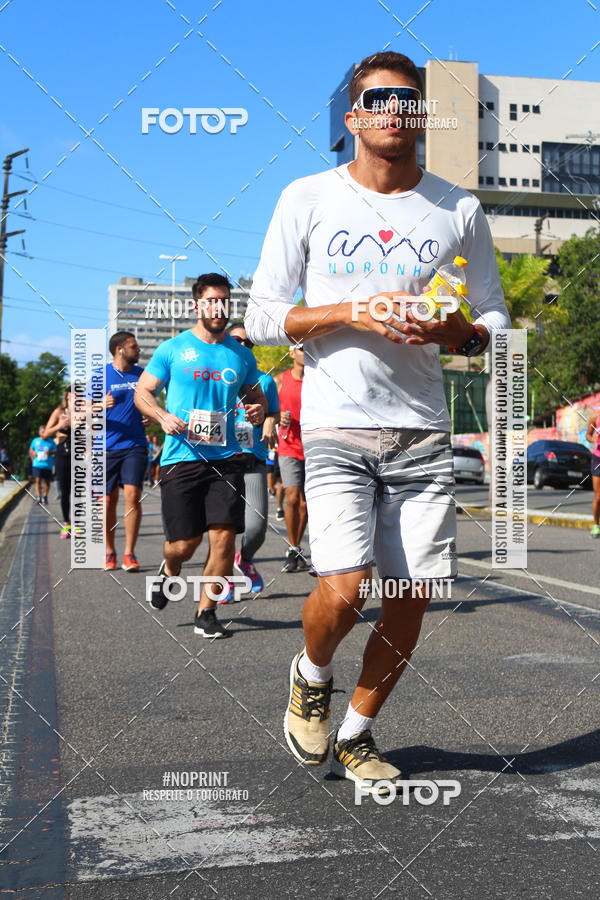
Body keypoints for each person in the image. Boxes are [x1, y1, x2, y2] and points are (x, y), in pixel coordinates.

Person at [245, 51, 510, 792]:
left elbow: (492, 314)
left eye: (409, 99)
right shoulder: (307, 197)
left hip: (423, 429)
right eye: (379, 99)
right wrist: (349, 311)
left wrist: (458, 331)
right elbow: (264, 314)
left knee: (409, 594)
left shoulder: (458, 208)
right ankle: (312, 673)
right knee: (347, 582)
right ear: (355, 118)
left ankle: (358, 731)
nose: (396, 109)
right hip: (334, 425)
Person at [135, 273, 267, 639]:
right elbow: (143, 393)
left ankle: (206, 613)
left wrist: (257, 411)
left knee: (224, 537)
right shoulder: (173, 349)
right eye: (211, 300)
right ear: (197, 305)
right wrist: (162, 416)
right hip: (181, 457)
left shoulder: (240, 354)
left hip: (227, 457)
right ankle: (169, 569)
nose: (218, 307)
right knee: (185, 544)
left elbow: (257, 398)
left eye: (224, 300)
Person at [224, 323, 280, 597]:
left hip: (252, 457)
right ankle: (222, 583)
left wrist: (270, 420)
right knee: (221, 530)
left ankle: (244, 560)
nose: (243, 346)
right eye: (237, 340)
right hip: (220, 459)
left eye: (249, 343)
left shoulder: (265, 381)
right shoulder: (215, 376)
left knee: (257, 528)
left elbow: (275, 412)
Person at [101, 332, 148, 571]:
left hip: (135, 445)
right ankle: (110, 551)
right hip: (107, 446)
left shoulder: (142, 375)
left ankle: (129, 553)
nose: (138, 350)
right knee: (108, 502)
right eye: (134, 346)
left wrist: (150, 415)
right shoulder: (100, 376)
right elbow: (80, 412)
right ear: (120, 349)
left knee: (132, 495)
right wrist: (100, 405)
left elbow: (149, 402)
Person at [277, 346, 308, 572]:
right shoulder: (279, 380)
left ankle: (295, 548)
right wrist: (277, 416)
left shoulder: (318, 381)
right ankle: (293, 544)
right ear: (292, 352)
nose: (307, 353)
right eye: (302, 349)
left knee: (307, 504)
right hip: (288, 445)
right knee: (293, 497)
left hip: (313, 445)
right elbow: (266, 408)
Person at [43, 386, 73, 538]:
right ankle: (67, 524)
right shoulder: (59, 412)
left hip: (81, 456)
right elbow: (45, 434)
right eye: (71, 395)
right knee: (65, 492)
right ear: (67, 396)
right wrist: (59, 426)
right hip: (62, 456)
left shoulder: (85, 411)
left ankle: (79, 525)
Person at [29, 426, 55, 504]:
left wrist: (49, 452)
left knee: (47, 481)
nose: (43, 433)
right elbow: (31, 450)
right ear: (39, 432)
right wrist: (33, 455)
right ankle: (38, 496)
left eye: (44, 432)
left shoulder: (51, 441)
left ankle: (45, 496)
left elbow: (56, 451)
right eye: (42, 432)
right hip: (37, 464)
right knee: (37, 480)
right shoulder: (35, 440)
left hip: (47, 464)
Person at [586, 409, 600, 538]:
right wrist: (593, 438)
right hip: (598, 459)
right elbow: (588, 436)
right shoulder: (595, 417)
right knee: (598, 496)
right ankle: (596, 525)